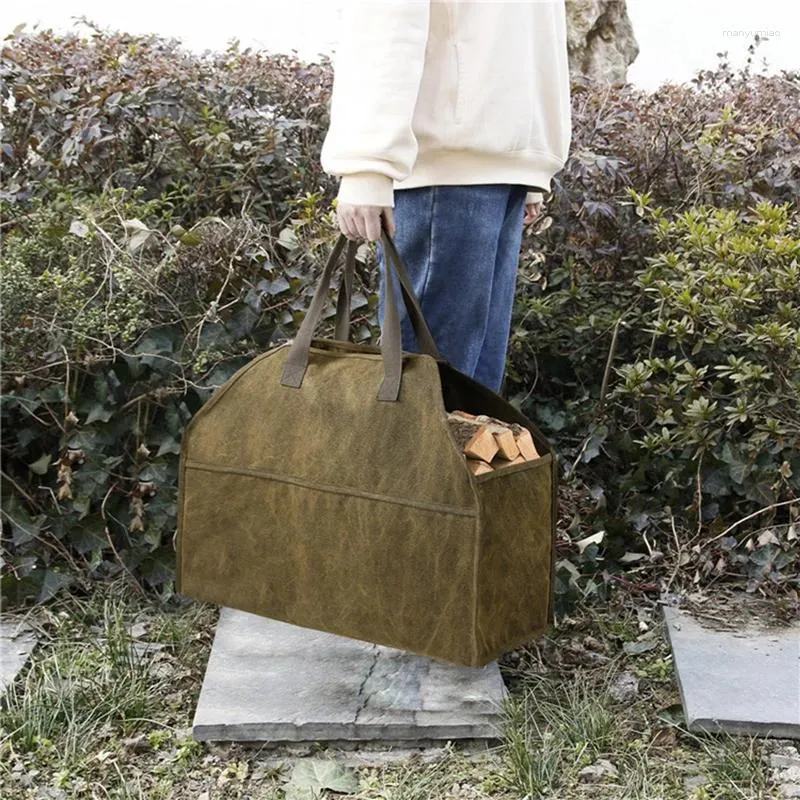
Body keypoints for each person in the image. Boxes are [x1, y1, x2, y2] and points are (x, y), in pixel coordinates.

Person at [320, 0, 572, 393]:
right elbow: (385, 19)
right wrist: (367, 162)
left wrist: (529, 160)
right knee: (425, 402)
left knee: (471, 406)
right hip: (442, 164)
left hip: (496, 164)